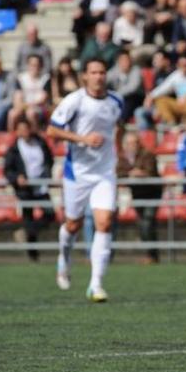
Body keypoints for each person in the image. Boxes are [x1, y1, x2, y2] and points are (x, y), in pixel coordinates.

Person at [47, 57, 124, 302]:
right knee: (73, 225)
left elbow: (118, 126)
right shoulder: (75, 101)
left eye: (102, 72)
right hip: (77, 172)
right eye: (94, 72)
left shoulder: (116, 101)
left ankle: (96, 284)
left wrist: (118, 153)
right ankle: (64, 258)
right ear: (85, 76)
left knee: (104, 222)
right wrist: (82, 139)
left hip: (104, 173)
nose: (99, 76)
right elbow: (52, 130)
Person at [5, 118, 55, 262]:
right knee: (28, 218)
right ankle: (33, 255)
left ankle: (26, 232)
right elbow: (8, 170)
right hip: (25, 189)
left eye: (26, 129)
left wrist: (46, 174)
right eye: (21, 129)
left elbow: (49, 160)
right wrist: (17, 178)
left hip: (40, 186)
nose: (24, 132)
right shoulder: (14, 149)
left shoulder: (40, 143)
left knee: (49, 215)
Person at [117, 132, 161, 264]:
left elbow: (151, 171)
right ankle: (150, 254)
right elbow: (118, 172)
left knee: (147, 221)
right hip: (137, 194)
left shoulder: (148, 155)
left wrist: (141, 174)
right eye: (128, 143)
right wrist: (131, 173)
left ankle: (152, 255)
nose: (131, 146)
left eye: (134, 142)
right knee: (142, 223)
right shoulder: (123, 157)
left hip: (152, 193)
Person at [139, 55, 186, 127]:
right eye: (182, 65)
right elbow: (164, 87)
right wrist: (150, 96)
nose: (185, 67)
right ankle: (172, 123)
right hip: (181, 104)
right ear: (178, 65)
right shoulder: (176, 75)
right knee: (160, 100)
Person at [8, 54, 51, 131]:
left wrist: (26, 106)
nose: (34, 67)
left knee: (30, 113)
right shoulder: (21, 78)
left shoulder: (45, 78)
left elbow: (43, 100)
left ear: (41, 66)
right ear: (28, 65)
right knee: (12, 114)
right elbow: (17, 97)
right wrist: (22, 106)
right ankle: (12, 137)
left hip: (40, 108)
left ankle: (36, 136)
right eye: (32, 65)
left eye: (37, 65)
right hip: (24, 106)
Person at [107, 50, 144, 123]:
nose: (125, 63)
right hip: (119, 97)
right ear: (118, 62)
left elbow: (133, 88)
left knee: (128, 100)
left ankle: (120, 121)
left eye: (127, 60)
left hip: (135, 98)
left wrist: (115, 94)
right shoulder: (114, 70)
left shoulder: (136, 70)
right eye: (122, 60)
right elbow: (105, 80)